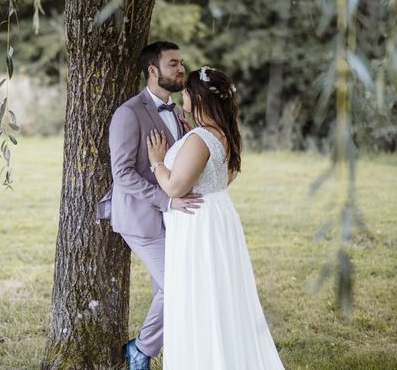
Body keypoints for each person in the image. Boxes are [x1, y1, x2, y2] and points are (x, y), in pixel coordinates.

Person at [147, 66, 285, 369]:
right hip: (218, 216)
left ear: (197, 97)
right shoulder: (226, 134)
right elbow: (224, 179)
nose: (182, 93)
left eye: (186, 90)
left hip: (197, 223)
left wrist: (157, 161)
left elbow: (175, 186)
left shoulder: (200, 138)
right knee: (221, 294)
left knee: (200, 296)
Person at [98, 41, 204, 370]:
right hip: (141, 219)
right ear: (153, 70)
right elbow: (123, 174)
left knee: (170, 288)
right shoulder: (128, 114)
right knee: (178, 286)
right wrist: (167, 201)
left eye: (182, 62)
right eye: (173, 63)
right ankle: (141, 350)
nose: (181, 69)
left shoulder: (180, 114)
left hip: (174, 218)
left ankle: (151, 348)